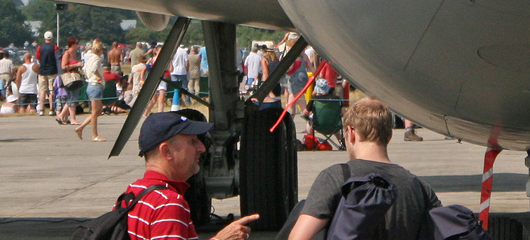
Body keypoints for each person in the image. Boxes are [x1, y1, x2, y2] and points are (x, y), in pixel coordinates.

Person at [285, 97, 441, 240]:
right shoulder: (418, 186)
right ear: (389, 137)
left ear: (351, 133)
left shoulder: (336, 177)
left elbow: (298, 238)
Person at [120, 111, 257, 240]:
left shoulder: (132, 193)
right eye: (191, 141)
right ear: (167, 151)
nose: (202, 148)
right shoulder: (168, 204)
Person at [76, 39, 105, 141]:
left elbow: (84, 69)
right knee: (95, 111)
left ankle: (81, 127)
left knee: (98, 111)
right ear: (100, 51)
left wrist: (89, 76)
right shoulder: (96, 58)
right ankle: (94, 135)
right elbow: (93, 69)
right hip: (95, 85)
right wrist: (99, 77)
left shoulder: (89, 58)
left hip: (92, 85)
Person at [35, 30, 60, 115]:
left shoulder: (39, 47)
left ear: (44, 38)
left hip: (42, 71)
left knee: (42, 90)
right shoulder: (55, 47)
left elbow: (38, 57)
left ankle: (41, 109)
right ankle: (51, 109)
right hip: (52, 71)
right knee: (51, 90)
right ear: (52, 38)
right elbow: (57, 58)